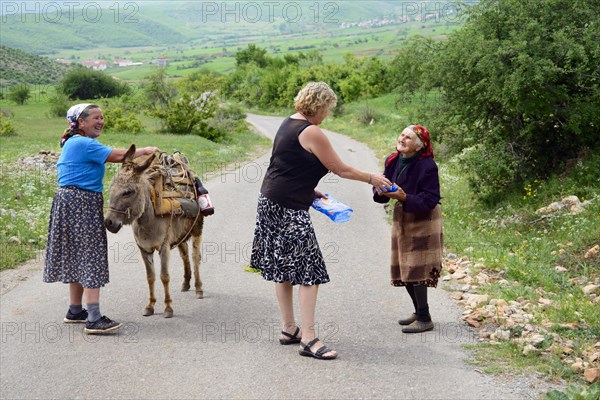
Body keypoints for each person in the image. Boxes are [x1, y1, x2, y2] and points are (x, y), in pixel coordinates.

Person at [250, 82, 392, 359]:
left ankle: (289, 328)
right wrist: (371, 178)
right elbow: (339, 168)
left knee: (283, 267)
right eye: (328, 108)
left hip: (270, 199)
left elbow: (285, 164)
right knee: (308, 271)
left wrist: (308, 188)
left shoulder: (289, 123)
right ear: (320, 105)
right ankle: (309, 339)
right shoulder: (312, 131)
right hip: (288, 207)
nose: (328, 114)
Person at [44, 103, 159, 334]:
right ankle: (94, 318)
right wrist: (146, 150)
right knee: (91, 255)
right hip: (81, 202)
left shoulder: (72, 142)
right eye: (95, 117)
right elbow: (119, 156)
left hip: (69, 201)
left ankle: (75, 310)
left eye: (102, 117)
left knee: (77, 255)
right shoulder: (83, 143)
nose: (101, 121)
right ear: (81, 123)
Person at [373, 124, 443, 333]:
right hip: (403, 217)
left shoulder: (427, 166)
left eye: (408, 138)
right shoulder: (392, 160)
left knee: (416, 267)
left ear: (419, 146)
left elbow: (431, 199)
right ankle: (420, 311)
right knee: (403, 267)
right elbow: (381, 192)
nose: (402, 139)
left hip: (424, 219)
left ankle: (425, 318)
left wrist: (404, 197)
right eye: (402, 135)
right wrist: (380, 190)